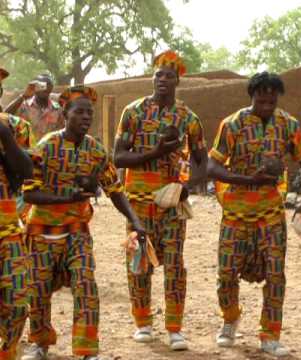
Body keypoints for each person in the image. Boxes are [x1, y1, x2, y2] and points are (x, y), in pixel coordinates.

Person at [21, 85, 146, 360]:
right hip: (42, 232)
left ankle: (88, 350)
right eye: (80, 112)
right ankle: (39, 344)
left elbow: (115, 189)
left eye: (89, 113)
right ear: (65, 114)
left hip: (77, 231)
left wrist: (135, 220)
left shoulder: (96, 151)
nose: (86, 117)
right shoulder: (46, 147)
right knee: (39, 291)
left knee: (86, 285)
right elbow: (29, 192)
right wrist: (67, 196)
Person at [208, 71, 301, 357]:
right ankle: (230, 318)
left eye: (272, 97)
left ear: (277, 97)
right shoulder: (233, 125)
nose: (267, 102)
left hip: (271, 213)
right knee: (226, 273)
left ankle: (270, 334)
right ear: (252, 96)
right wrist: (247, 179)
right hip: (236, 212)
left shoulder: (288, 125)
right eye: (261, 97)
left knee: (276, 274)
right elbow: (212, 167)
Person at [113, 50, 207, 351]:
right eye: (158, 75)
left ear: (178, 81)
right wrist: (155, 153)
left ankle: (174, 328)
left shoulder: (189, 119)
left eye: (168, 75)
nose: (162, 79)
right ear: (152, 79)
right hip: (138, 201)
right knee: (139, 260)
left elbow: (203, 162)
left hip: (171, 203)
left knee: (175, 263)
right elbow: (118, 157)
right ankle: (142, 323)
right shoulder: (133, 112)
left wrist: (186, 186)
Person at [0, 66, 33, 360]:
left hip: (8, 229)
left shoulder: (17, 127)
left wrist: (4, 135)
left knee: (18, 301)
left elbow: (26, 171)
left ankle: (7, 351)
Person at [5, 73, 64, 140]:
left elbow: (61, 133)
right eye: (40, 85)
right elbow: (3, 116)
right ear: (34, 87)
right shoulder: (23, 106)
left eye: (48, 85)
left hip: (48, 149)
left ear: (51, 88)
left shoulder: (58, 110)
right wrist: (24, 96)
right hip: (26, 149)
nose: (44, 88)